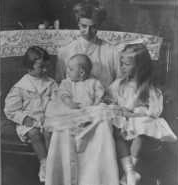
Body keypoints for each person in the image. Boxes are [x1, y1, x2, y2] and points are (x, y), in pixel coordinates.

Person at [45, 1, 133, 185]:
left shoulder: (110, 50)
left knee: (101, 128)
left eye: (93, 28)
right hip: (73, 107)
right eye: (83, 26)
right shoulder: (66, 51)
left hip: (100, 106)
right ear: (78, 23)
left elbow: (119, 83)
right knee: (63, 128)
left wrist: (106, 102)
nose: (87, 31)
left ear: (99, 26)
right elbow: (61, 83)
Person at [107, 43, 177, 185]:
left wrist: (134, 113)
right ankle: (130, 172)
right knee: (116, 131)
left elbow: (154, 112)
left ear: (139, 66)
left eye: (127, 64)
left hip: (138, 121)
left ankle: (129, 176)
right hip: (122, 121)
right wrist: (119, 108)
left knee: (141, 133)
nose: (122, 67)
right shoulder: (119, 84)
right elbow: (110, 100)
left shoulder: (148, 88)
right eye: (121, 63)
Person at [4, 46, 58, 182]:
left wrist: (52, 114)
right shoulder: (21, 86)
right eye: (41, 67)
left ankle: (53, 162)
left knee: (48, 133)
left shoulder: (50, 83)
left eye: (46, 66)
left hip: (48, 119)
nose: (45, 70)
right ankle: (44, 163)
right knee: (34, 133)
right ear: (29, 67)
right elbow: (10, 109)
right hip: (30, 121)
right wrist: (24, 118)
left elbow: (57, 101)